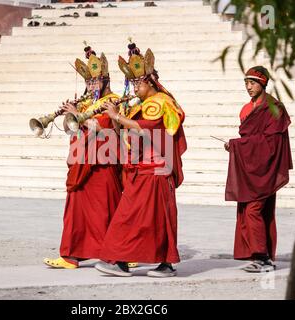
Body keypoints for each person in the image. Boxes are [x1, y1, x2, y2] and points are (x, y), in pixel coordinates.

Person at [94, 41, 187, 277]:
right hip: (141, 168)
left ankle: (160, 263)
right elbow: (126, 132)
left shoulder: (161, 103)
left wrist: (118, 116)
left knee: (149, 217)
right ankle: (122, 260)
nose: (134, 88)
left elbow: (150, 128)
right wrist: (115, 117)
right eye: (132, 83)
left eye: (137, 82)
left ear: (150, 82)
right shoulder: (142, 104)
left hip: (156, 169)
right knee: (138, 217)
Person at [43, 44, 123, 269]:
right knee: (75, 211)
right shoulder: (87, 103)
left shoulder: (114, 101)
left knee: (106, 210)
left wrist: (78, 114)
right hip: (82, 163)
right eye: (88, 82)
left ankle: (120, 254)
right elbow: (73, 129)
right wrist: (69, 114)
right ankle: (71, 255)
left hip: (102, 163)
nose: (91, 86)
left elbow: (101, 127)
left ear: (105, 81)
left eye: (95, 81)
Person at [224, 66, 293, 272]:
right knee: (256, 211)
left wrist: (238, 145)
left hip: (267, 168)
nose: (248, 87)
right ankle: (265, 257)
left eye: (252, 83)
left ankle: (262, 259)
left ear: (263, 84)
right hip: (250, 167)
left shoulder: (274, 108)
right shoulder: (246, 109)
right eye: (246, 83)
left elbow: (271, 143)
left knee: (254, 209)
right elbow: (250, 140)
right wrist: (235, 147)